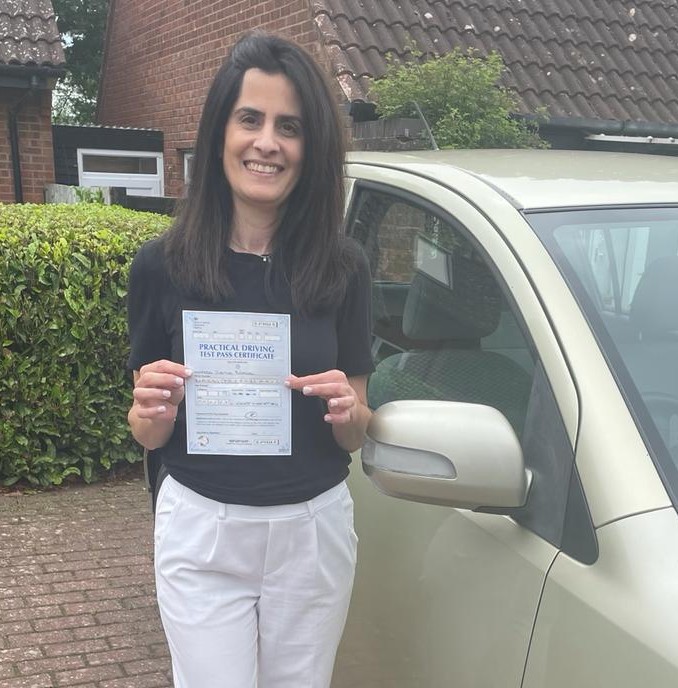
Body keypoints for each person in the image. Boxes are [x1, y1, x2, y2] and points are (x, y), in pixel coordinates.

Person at [126, 31, 373, 688]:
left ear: (311, 147)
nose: (268, 142)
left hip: (312, 531)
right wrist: (151, 410)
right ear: (220, 133)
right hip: (203, 528)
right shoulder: (161, 266)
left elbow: (356, 428)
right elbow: (147, 431)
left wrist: (349, 412)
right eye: (250, 119)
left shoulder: (344, 267)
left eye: (289, 126)